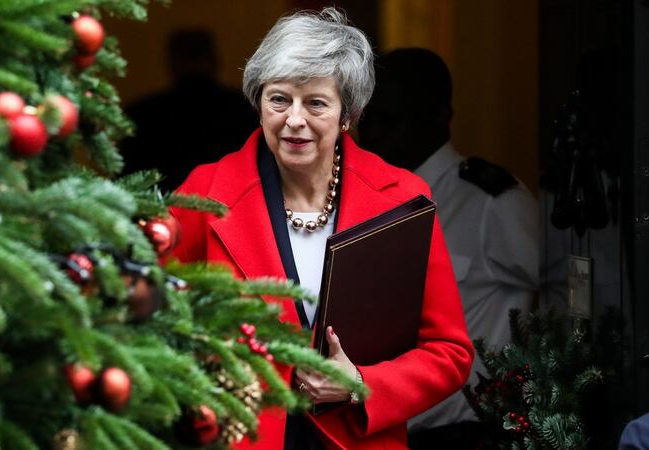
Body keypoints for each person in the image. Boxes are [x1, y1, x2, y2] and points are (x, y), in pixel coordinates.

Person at [170, 10, 473, 450]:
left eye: (315, 103)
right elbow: (149, 319)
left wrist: (361, 383)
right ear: (259, 102)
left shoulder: (402, 197)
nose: (294, 119)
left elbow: (449, 352)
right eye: (279, 100)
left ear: (348, 114)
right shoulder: (205, 193)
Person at [358, 47, 539, 449]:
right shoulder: (363, 199)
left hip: (463, 436)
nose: (372, 135)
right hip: (380, 433)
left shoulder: (491, 203)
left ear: (440, 117)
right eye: (366, 120)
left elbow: (565, 290)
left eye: (392, 120)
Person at [122, 29, 257, 191]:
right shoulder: (245, 110)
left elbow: (131, 184)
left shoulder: (142, 115)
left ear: (171, 64)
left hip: (163, 209)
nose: (192, 65)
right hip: (228, 206)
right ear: (215, 61)